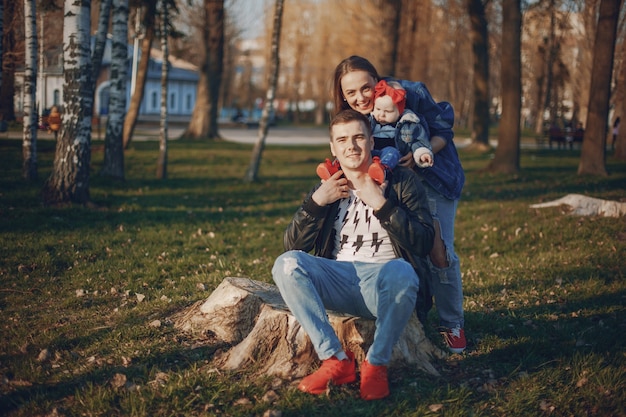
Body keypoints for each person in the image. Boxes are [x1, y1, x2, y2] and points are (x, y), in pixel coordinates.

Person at [272, 109, 434, 400]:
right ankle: (335, 359)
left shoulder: (401, 182)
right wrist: (316, 203)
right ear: (333, 148)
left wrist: (383, 205)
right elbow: (292, 246)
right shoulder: (329, 187)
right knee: (286, 264)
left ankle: (376, 363)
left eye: (359, 137)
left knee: (403, 272)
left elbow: (423, 242)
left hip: (383, 281)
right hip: (338, 279)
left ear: (372, 141)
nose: (351, 146)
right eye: (342, 139)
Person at [331, 55, 466, 354]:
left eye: (365, 88)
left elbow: (443, 130)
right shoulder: (357, 116)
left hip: (432, 178)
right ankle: (417, 315)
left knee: (438, 251)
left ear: (377, 82)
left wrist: (422, 154)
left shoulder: (410, 93)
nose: (359, 98)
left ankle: (452, 323)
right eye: (350, 93)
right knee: (407, 247)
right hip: (394, 183)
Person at [317, 79, 433, 185]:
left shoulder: (408, 124)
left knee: (392, 152)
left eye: (388, 111)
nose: (381, 114)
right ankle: (333, 169)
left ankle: (382, 169)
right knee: (348, 152)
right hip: (369, 154)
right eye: (378, 109)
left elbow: (419, 141)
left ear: (400, 111)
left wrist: (422, 154)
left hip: (389, 154)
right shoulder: (370, 120)